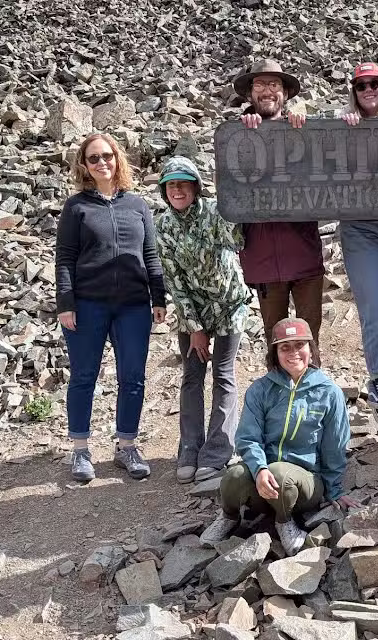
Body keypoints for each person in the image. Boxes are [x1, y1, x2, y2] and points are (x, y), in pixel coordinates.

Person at [55, 133, 166, 482]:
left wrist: (158, 297)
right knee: (84, 377)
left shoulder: (138, 206)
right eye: (93, 158)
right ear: (84, 166)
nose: (102, 162)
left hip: (133, 305)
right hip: (87, 305)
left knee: (132, 378)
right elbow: (65, 259)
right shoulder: (76, 207)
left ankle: (127, 446)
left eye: (107, 156)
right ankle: (80, 450)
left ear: (117, 159)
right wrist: (65, 303)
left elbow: (151, 255)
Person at [199, 318, 359, 555]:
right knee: (234, 476)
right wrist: (260, 469)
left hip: (305, 484)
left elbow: (334, 446)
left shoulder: (329, 392)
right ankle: (229, 517)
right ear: (275, 353)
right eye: (285, 347)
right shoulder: (261, 389)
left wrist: (334, 490)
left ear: (311, 350)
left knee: (280, 475)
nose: (293, 352)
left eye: (299, 345)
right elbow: (248, 437)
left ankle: (285, 522)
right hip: (266, 479)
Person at [155, 156, 252, 484]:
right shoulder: (163, 226)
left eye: (183, 183)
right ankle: (190, 449)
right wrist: (195, 328)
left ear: (196, 186)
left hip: (228, 305)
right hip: (191, 311)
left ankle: (218, 451)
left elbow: (236, 241)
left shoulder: (213, 211)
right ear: (164, 191)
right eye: (171, 184)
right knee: (191, 377)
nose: (177, 190)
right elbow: (174, 280)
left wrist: (232, 205)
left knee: (223, 374)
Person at [233, 59, 325, 346]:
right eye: (259, 84)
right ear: (249, 94)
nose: (267, 91)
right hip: (263, 261)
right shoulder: (235, 136)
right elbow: (232, 189)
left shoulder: (301, 129)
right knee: (276, 340)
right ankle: (277, 392)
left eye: (274, 84)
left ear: (285, 93)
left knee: (310, 341)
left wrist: (302, 128)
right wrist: (246, 133)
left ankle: (312, 391)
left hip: (304, 257)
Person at [337, 62, 378, 410]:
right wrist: (346, 133)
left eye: (375, 83)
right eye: (361, 86)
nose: (369, 91)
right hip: (362, 228)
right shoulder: (344, 123)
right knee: (377, 307)